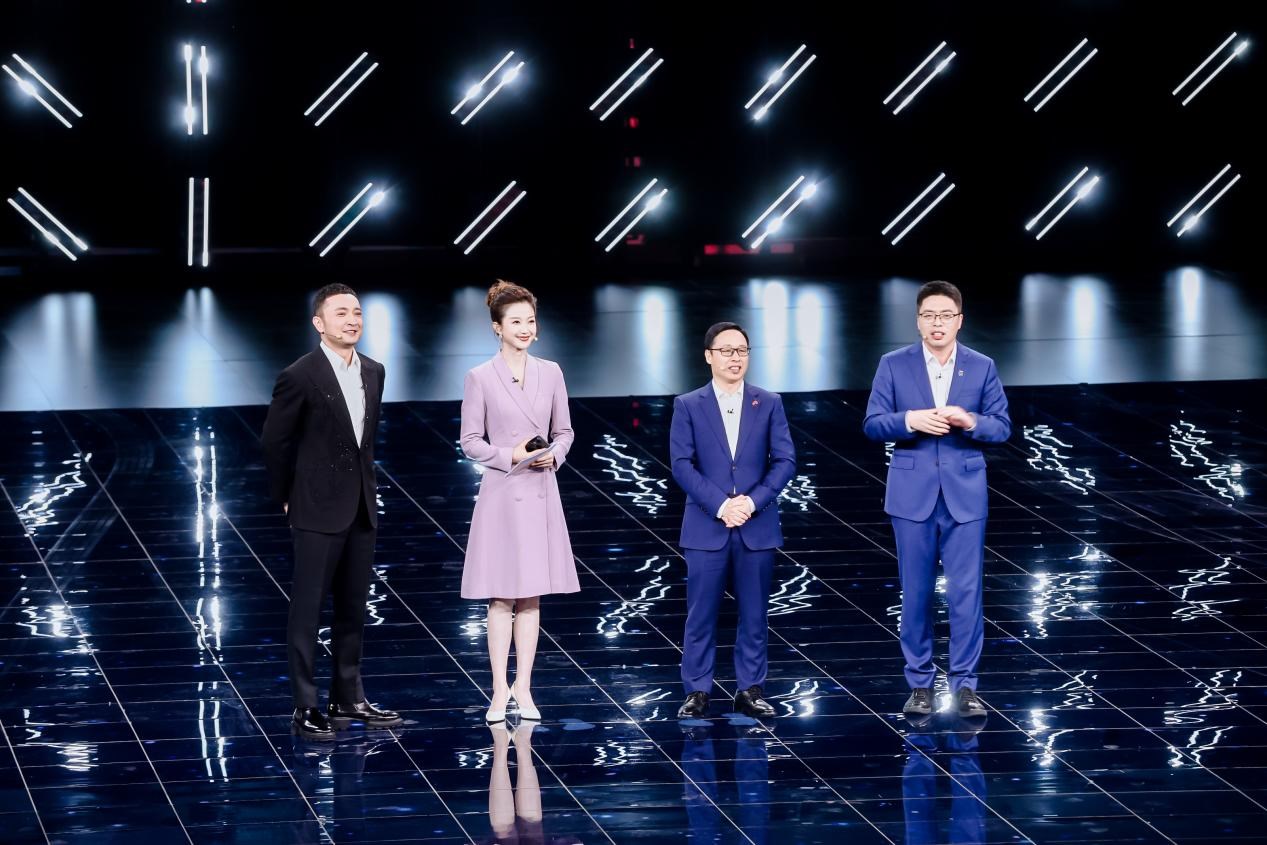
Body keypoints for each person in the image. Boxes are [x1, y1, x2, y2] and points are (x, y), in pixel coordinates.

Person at [862, 280, 1011, 718]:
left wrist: (970, 421)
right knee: (916, 594)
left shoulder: (981, 366)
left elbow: (1002, 426)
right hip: (912, 497)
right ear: (918, 321)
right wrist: (910, 420)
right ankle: (920, 684)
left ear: (959, 320)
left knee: (967, 594)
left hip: (965, 497)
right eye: (929, 316)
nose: (937, 323)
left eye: (945, 315)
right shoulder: (894, 364)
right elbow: (872, 424)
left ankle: (965, 686)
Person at [262, 283, 401, 739]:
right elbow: (275, 442)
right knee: (307, 611)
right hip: (315, 508)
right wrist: (286, 495)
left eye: (356, 312)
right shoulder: (300, 376)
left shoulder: (374, 371)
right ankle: (305, 705)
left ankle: (348, 697)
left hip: (361, 505)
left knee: (354, 608)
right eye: (341, 313)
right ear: (319, 323)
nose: (352, 320)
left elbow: (364, 443)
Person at [460, 280, 580, 723]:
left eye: (530, 321)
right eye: (516, 322)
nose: (526, 328)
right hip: (502, 494)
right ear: (497, 327)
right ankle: (498, 689)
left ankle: (524, 688)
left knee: (531, 596)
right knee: (501, 597)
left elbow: (564, 431)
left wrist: (556, 454)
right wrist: (509, 454)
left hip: (541, 490)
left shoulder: (551, 372)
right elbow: (470, 441)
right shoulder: (480, 377)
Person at [670, 321, 796, 720]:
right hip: (706, 525)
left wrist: (752, 502)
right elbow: (682, 464)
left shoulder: (769, 402)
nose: (735, 358)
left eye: (741, 350)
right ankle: (697, 691)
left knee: (755, 614)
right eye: (726, 351)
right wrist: (721, 505)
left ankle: (751, 689)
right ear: (709, 356)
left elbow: (785, 461)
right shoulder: (688, 405)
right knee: (700, 614)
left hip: (756, 525)